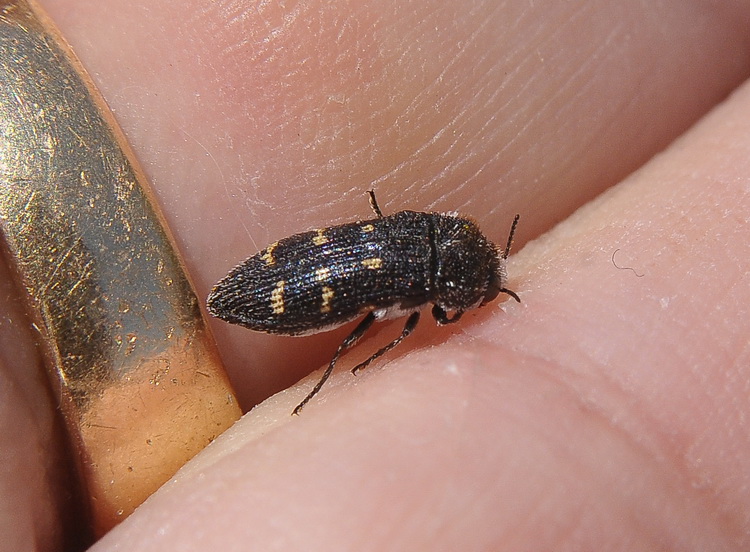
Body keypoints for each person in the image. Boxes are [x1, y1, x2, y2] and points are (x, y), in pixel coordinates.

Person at [3, 1, 750, 550]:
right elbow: (420, 320)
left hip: (301, 269)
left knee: (348, 299)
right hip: (288, 289)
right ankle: (338, 367)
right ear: (447, 286)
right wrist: (377, 353)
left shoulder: (427, 239)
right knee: (357, 327)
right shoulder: (422, 290)